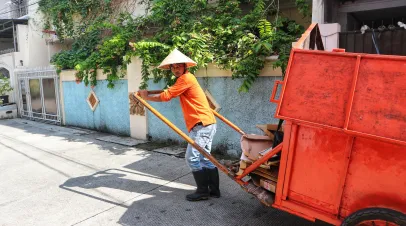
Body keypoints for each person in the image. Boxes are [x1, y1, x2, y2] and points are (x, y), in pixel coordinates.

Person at [138, 49, 220, 201]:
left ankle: (202, 192)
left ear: (184, 67)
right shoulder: (186, 79)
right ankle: (214, 190)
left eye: (178, 66)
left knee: (192, 158)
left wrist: (146, 97)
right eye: (173, 67)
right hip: (206, 123)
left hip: (201, 124)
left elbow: (166, 96)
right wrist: (148, 92)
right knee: (205, 158)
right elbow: (168, 91)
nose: (176, 69)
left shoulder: (185, 79)